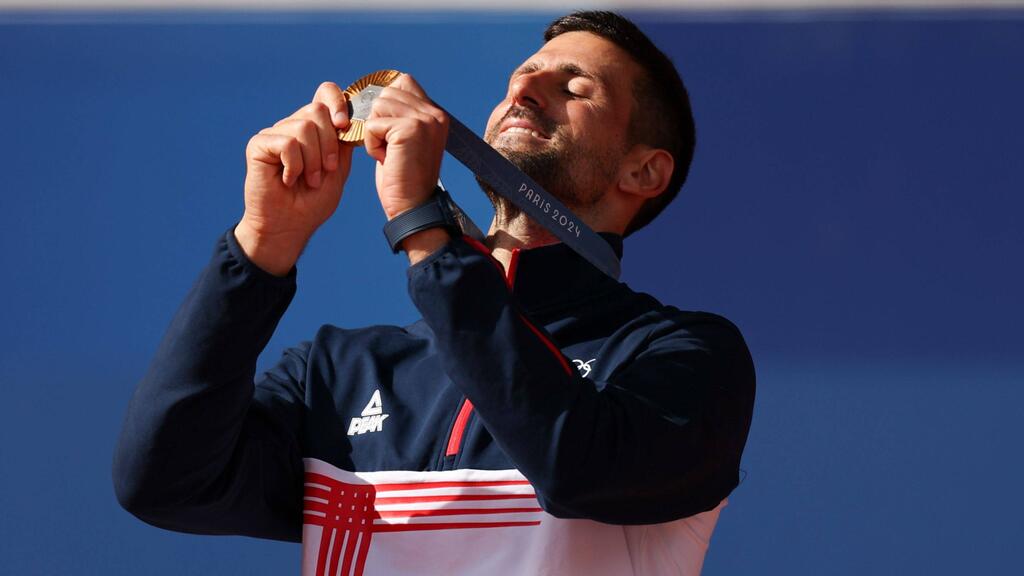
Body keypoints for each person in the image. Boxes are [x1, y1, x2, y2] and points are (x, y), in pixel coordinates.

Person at [113, 10, 755, 576]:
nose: (524, 90)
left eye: (573, 88)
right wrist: (261, 245)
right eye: (519, 78)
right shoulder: (340, 374)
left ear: (644, 170)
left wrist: (422, 222)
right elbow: (163, 481)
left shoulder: (682, 356)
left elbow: (575, 469)